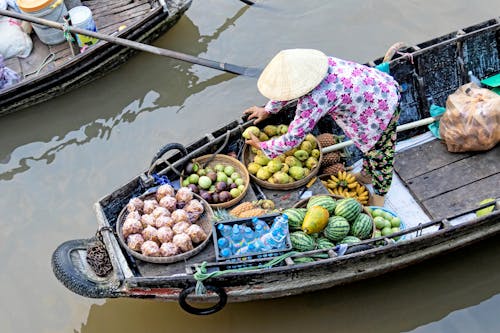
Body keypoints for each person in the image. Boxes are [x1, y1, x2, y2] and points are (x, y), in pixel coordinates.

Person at [244, 49, 400, 206]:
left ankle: (380, 196)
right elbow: (286, 91)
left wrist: (263, 146)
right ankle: (367, 175)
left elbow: (293, 138)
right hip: (376, 89)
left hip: (383, 108)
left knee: (380, 155)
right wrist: (268, 110)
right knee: (370, 148)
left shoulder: (315, 99)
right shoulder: (323, 65)